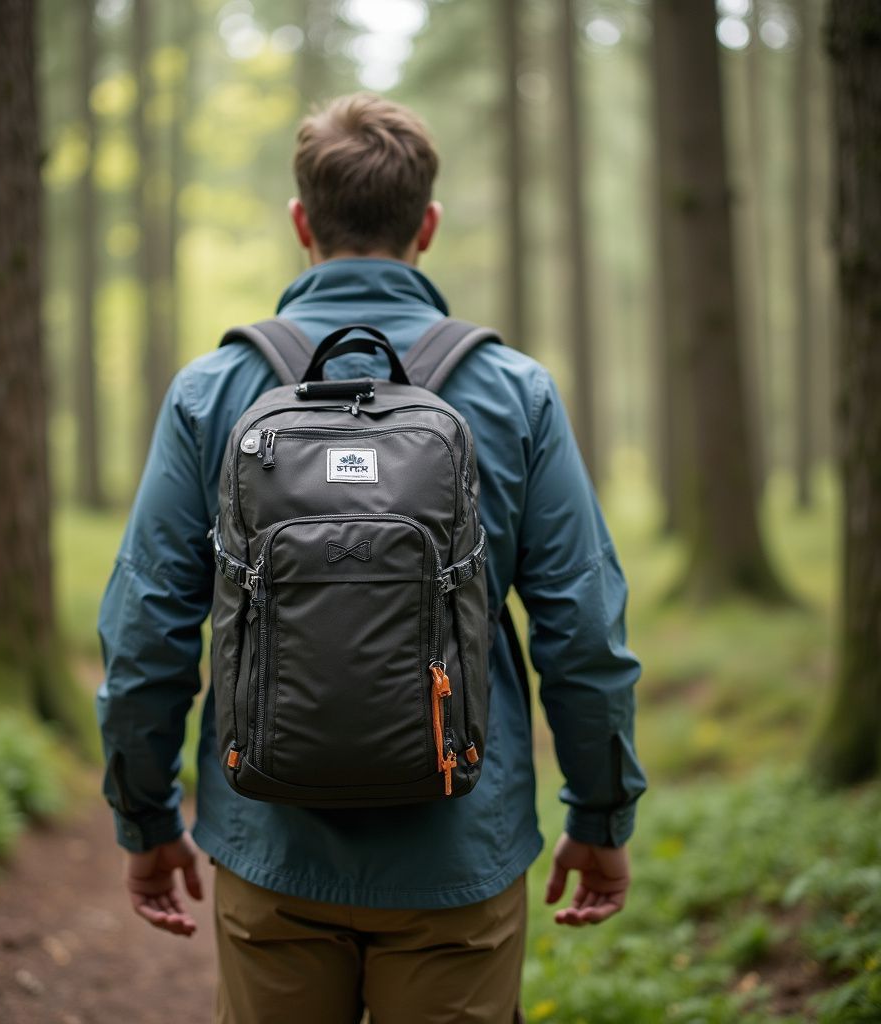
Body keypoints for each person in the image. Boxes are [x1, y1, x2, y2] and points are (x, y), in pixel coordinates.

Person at [96, 93, 646, 1023]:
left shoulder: (214, 390)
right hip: (457, 854)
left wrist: (146, 820)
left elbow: (146, 627)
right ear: (426, 225)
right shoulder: (514, 394)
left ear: (301, 222)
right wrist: (599, 815)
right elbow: (583, 630)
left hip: (270, 843)